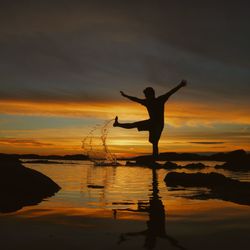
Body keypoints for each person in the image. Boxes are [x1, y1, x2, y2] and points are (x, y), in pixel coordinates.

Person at [113, 80, 187, 160]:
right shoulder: (147, 101)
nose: (146, 97)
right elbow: (136, 99)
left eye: (146, 95)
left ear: (151, 94)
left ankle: (154, 160)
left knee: (154, 142)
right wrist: (125, 96)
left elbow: (171, 92)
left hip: (158, 124)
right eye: (145, 95)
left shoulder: (160, 99)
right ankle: (118, 124)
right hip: (151, 122)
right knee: (134, 125)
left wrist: (180, 85)